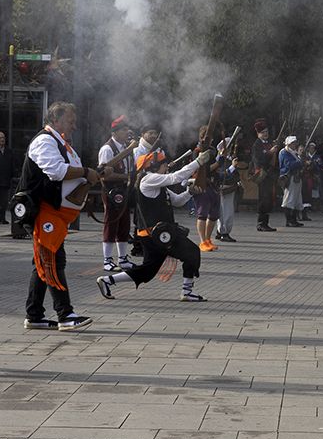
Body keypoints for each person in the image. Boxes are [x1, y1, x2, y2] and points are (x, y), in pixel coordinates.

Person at [97, 144, 213, 302]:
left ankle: (107, 281)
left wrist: (189, 192)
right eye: (164, 164)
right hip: (155, 234)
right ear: (154, 166)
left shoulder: (157, 183)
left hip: (156, 234)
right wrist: (198, 162)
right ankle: (187, 291)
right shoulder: (149, 179)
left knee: (147, 272)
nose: (167, 166)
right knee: (192, 252)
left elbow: (178, 201)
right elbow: (176, 177)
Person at [22, 101, 95, 332]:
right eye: (70, 120)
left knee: (43, 263)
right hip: (43, 210)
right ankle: (65, 314)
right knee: (53, 260)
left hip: (55, 213)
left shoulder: (60, 143)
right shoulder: (45, 141)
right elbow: (56, 171)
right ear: (56, 120)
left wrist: (90, 175)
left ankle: (34, 315)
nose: (74, 125)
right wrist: (85, 172)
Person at [97, 116, 136, 271]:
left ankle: (122, 258)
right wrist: (126, 177)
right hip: (111, 189)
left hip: (123, 189)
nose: (127, 132)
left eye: (127, 129)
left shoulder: (126, 146)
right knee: (111, 222)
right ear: (115, 132)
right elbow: (104, 173)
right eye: (124, 130)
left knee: (124, 223)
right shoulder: (107, 149)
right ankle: (107, 259)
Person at [189, 125, 222, 251]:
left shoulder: (212, 150)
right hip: (202, 184)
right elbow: (204, 169)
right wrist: (218, 162)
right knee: (202, 214)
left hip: (213, 185)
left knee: (213, 214)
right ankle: (202, 241)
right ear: (202, 138)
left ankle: (208, 239)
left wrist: (221, 158)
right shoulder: (197, 151)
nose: (210, 139)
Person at [251, 120, 278, 232]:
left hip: (270, 174)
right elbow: (258, 160)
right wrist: (269, 153)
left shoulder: (268, 142)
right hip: (262, 174)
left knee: (269, 199)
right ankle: (261, 223)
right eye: (263, 132)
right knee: (263, 198)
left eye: (266, 131)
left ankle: (266, 222)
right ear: (258, 134)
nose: (265, 134)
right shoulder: (257, 145)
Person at [215, 152, 244, 243]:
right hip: (224, 189)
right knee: (226, 212)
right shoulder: (219, 160)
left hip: (230, 188)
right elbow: (221, 175)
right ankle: (224, 232)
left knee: (225, 211)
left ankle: (221, 231)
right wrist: (232, 167)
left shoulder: (229, 158)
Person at [279, 136, 305, 227]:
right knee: (289, 199)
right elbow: (289, 165)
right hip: (289, 177)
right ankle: (289, 220)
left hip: (296, 177)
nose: (294, 144)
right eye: (292, 143)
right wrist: (300, 161)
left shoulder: (294, 153)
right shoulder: (284, 152)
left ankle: (293, 219)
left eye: (295, 143)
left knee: (296, 199)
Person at [0, 131, 14, 225]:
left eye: (3, 138)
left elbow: (12, 164)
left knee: (3, 201)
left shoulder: (9, 150)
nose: (2, 140)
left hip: (5, 178)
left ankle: (1, 218)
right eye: (0, 138)